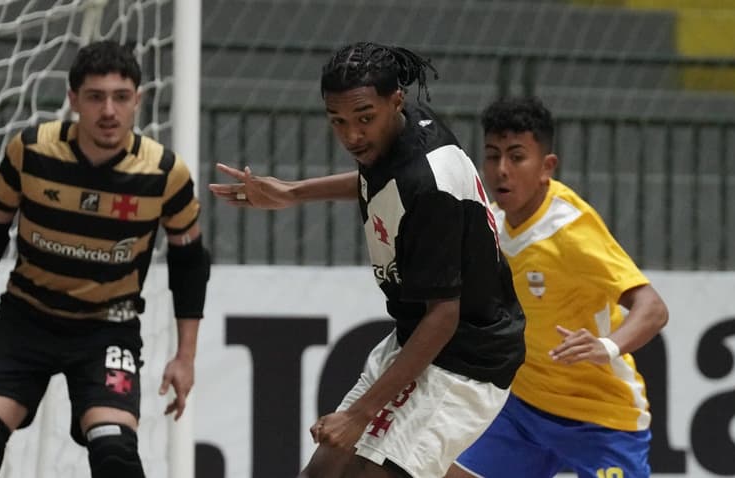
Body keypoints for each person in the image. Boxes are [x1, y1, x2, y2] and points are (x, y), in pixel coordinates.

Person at [210, 42, 525, 478]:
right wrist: (293, 192)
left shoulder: (428, 184)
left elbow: (444, 318)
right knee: (323, 475)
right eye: (337, 121)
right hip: (419, 336)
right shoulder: (399, 135)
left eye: (363, 118)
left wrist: (359, 415)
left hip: (468, 357)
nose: (352, 135)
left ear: (396, 100)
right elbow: (380, 184)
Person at [0, 40, 209, 478]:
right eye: (95, 97)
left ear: (138, 101)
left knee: (116, 455)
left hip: (108, 329)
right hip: (25, 319)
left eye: (121, 97)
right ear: (73, 100)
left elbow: (190, 264)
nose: (109, 111)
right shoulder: (31, 151)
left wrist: (186, 357)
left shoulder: (165, 173)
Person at [443, 97, 669, 478]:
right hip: (523, 410)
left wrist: (606, 346)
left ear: (547, 167)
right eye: (493, 156)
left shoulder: (571, 231)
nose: (501, 170)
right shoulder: (491, 222)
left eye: (517, 157)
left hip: (600, 418)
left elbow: (653, 307)